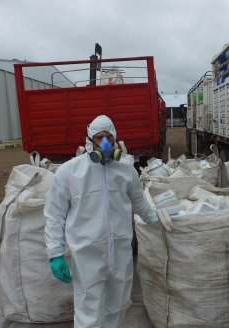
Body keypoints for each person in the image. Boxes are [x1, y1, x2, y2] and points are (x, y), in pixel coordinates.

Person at [44, 115, 157, 327]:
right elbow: (54, 214)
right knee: (89, 311)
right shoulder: (70, 172)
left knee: (118, 306)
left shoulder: (125, 170)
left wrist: (161, 223)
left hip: (121, 252)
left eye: (109, 138)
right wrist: (55, 253)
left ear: (115, 141)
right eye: (99, 138)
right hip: (87, 254)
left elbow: (141, 205)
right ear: (89, 140)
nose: (105, 143)